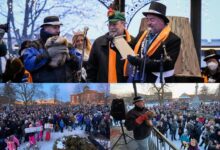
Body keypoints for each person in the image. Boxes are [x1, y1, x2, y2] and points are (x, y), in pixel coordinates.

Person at [127, 1, 181, 83]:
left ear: (162, 20)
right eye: (147, 20)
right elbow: (130, 47)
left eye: (152, 20)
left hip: (158, 81)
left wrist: (139, 62)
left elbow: (167, 64)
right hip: (139, 77)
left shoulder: (173, 39)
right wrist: (116, 43)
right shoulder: (142, 34)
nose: (148, 23)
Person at [21, 16, 79, 82]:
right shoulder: (34, 46)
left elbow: (79, 64)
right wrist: (46, 55)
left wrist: (70, 57)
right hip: (42, 89)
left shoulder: (68, 45)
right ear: (45, 28)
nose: (58, 30)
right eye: (55, 27)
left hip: (66, 88)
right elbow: (27, 65)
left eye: (58, 27)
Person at [87, 9, 134, 83]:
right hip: (102, 87)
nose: (111, 27)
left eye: (114, 24)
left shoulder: (132, 42)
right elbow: (91, 70)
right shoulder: (99, 43)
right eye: (110, 24)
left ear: (123, 24)